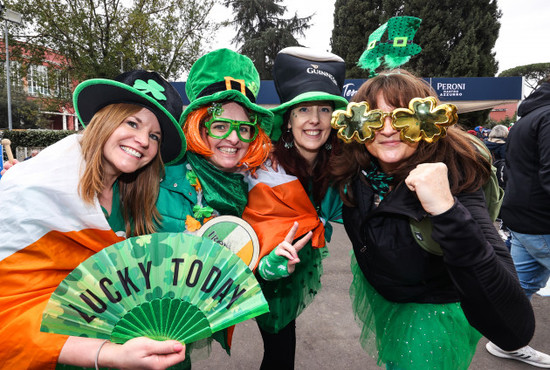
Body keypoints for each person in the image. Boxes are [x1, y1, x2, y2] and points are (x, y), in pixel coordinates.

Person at [331, 69, 535, 369]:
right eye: (373, 118)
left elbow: (515, 328)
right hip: (386, 295)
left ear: (429, 122)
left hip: (430, 319)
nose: (387, 130)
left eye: (404, 117)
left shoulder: (456, 181)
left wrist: (446, 210)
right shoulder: (359, 166)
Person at [0, 70, 188, 369]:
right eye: (132, 122)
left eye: (155, 136)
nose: (142, 140)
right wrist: (109, 353)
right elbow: (10, 316)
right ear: (105, 121)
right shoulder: (34, 189)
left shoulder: (132, 199)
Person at [154, 48, 273, 363]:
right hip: (143, 330)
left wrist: (268, 268)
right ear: (199, 126)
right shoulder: (162, 174)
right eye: (221, 126)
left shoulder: (245, 186)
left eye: (244, 128)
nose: (234, 139)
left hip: (180, 333)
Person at [241, 46, 349, 369]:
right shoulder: (263, 168)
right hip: (258, 272)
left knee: (283, 345)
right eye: (303, 110)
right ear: (288, 121)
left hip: (293, 268)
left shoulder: (337, 164)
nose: (314, 120)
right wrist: (264, 264)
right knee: (280, 349)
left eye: (324, 109)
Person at [487, 77, 550, 367]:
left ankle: (505, 341)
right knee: (519, 284)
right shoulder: (546, 117)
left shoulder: (528, 118)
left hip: (521, 216)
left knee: (519, 286)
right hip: (540, 219)